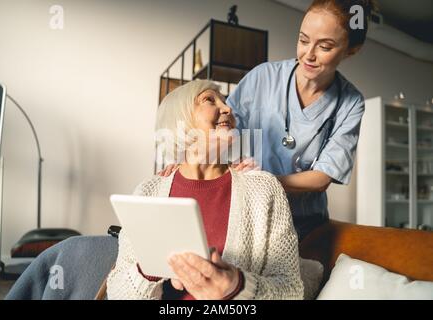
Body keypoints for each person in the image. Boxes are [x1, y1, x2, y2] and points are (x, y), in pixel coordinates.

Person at [161, 0, 376, 240]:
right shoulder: (263, 78)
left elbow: (323, 177)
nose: (309, 54)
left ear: (350, 50)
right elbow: (218, 129)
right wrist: (184, 162)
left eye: (325, 47)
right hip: (251, 216)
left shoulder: (351, 102)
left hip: (306, 225)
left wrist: (261, 181)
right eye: (303, 40)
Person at [106, 80, 303, 300]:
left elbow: (291, 290)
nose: (228, 108)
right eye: (209, 100)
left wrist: (237, 287)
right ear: (180, 120)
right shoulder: (148, 191)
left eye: (225, 101)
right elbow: (116, 292)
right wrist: (149, 270)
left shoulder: (263, 189)